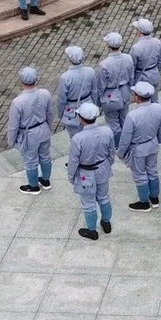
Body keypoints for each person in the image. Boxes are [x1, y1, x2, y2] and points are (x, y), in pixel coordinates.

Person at [68, 102, 115, 240]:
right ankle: (106, 222)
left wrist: (71, 176)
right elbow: (111, 153)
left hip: (85, 173)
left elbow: (73, 161)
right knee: (104, 197)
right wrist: (107, 164)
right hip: (102, 168)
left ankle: (92, 230)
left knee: (88, 203)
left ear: (81, 119)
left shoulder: (78, 138)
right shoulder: (107, 131)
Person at [118, 81, 161, 212]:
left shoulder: (132, 116)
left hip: (138, 149)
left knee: (140, 175)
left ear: (137, 97)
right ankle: (154, 198)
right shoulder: (158, 108)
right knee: (152, 171)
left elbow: (126, 138)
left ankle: (144, 202)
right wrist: (157, 140)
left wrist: (121, 153)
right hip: (152, 143)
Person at [7, 67, 53, 195]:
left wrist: (11, 141)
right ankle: (45, 180)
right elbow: (50, 113)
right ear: (36, 80)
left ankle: (33, 186)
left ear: (21, 81)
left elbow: (13, 125)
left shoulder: (18, 102)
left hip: (29, 135)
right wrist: (48, 127)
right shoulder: (45, 93)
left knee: (30, 161)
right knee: (45, 156)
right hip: (43, 129)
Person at [97, 32, 134, 148]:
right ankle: (127, 141)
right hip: (124, 91)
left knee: (113, 122)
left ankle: (118, 145)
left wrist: (98, 100)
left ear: (108, 46)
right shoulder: (128, 58)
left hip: (110, 94)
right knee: (124, 117)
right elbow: (131, 76)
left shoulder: (104, 64)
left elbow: (101, 85)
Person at [57, 46, 97, 138]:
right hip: (88, 105)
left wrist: (61, 114)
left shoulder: (65, 77)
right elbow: (94, 91)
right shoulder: (90, 71)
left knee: (74, 137)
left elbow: (62, 99)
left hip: (72, 111)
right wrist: (93, 105)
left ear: (70, 59)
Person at [130, 18, 161, 102]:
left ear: (139, 31)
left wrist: (132, 82)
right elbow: (160, 60)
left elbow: (132, 67)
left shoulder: (136, 48)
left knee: (143, 102)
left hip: (142, 78)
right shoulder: (157, 42)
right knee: (154, 100)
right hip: (154, 75)